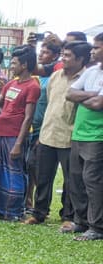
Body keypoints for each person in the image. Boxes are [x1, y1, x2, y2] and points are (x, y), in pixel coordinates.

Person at [25, 42, 89, 225]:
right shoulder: (55, 76)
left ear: (80, 59)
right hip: (47, 134)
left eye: (68, 56)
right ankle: (39, 213)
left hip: (69, 136)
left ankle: (67, 216)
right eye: (63, 54)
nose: (63, 58)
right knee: (43, 176)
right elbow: (49, 104)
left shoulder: (85, 78)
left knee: (71, 181)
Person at [0, 46, 39, 220]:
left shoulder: (33, 86)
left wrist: (19, 144)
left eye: (14, 63)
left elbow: (28, 118)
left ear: (25, 64)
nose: (11, 66)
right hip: (0, 133)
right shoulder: (11, 84)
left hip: (15, 134)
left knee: (14, 172)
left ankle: (14, 211)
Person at [66, 32, 103, 241]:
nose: (92, 51)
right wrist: (93, 95)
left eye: (97, 47)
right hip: (79, 133)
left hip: (98, 136)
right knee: (76, 179)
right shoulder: (91, 72)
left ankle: (96, 226)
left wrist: (85, 97)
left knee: (93, 181)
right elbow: (70, 94)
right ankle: (81, 221)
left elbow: (99, 105)